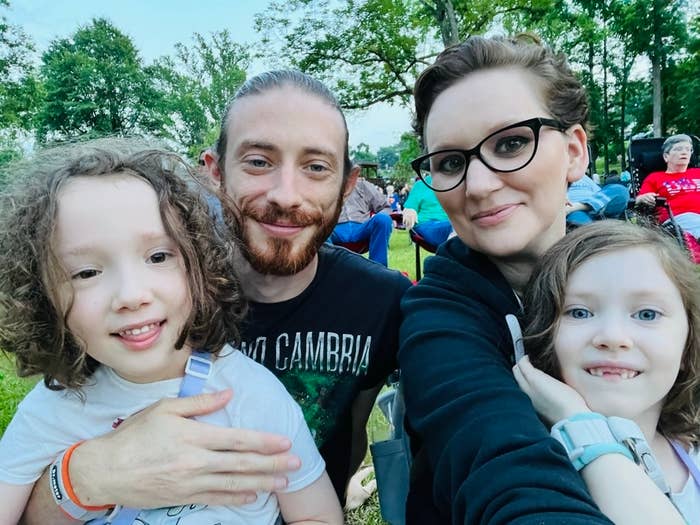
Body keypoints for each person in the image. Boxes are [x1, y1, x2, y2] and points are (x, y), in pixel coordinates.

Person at [20, 70, 412, 523]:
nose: (286, 195)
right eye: (258, 162)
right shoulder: (148, 303)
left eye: (316, 167)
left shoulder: (382, 302)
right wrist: (83, 479)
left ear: (347, 184)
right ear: (214, 172)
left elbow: (360, 430)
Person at [0, 141, 343, 525]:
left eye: (158, 257)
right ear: (40, 296)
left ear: (200, 265)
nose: (131, 295)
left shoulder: (250, 394)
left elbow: (317, 515)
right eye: (86, 273)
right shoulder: (51, 410)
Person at [399, 34, 619, 524]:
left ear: (575, 151)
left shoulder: (643, 275)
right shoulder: (438, 320)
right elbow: (505, 475)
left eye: (512, 142)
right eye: (451, 162)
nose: (478, 185)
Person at [515, 221, 698, 524]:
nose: (613, 337)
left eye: (647, 314)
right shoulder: (534, 472)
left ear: (688, 341)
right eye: (579, 312)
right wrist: (581, 429)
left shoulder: (693, 453)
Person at [636, 134, 700, 238]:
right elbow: (639, 199)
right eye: (679, 149)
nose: (684, 152)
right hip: (677, 220)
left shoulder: (698, 172)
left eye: (688, 149)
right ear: (666, 156)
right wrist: (644, 198)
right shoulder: (655, 177)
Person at [330, 176, 393, 265]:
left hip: (361, 227)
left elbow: (385, 207)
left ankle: (378, 270)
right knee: (318, 229)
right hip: (335, 228)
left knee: (383, 219)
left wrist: (378, 216)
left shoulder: (362, 185)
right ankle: (327, 272)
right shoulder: (325, 185)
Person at [401, 175, 452, 247]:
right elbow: (410, 207)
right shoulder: (421, 185)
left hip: (452, 222)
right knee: (458, 227)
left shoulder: (460, 184)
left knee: (461, 226)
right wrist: (409, 211)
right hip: (426, 224)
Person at [566, 173, 630, 226]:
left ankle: (581, 206)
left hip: (597, 205)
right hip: (574, 210)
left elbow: (600, 191)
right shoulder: (559, 175)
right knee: (579, 223)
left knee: (620, 190)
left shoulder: (581, 175)